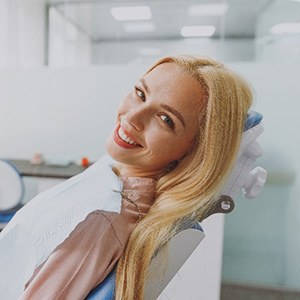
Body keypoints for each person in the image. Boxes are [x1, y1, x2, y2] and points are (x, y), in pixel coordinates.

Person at [0, 55, 252, 299]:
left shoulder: (100, 219)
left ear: (192, 152)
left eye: (166, 120)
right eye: (140, 93)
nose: (131, 117)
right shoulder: (117, 173)